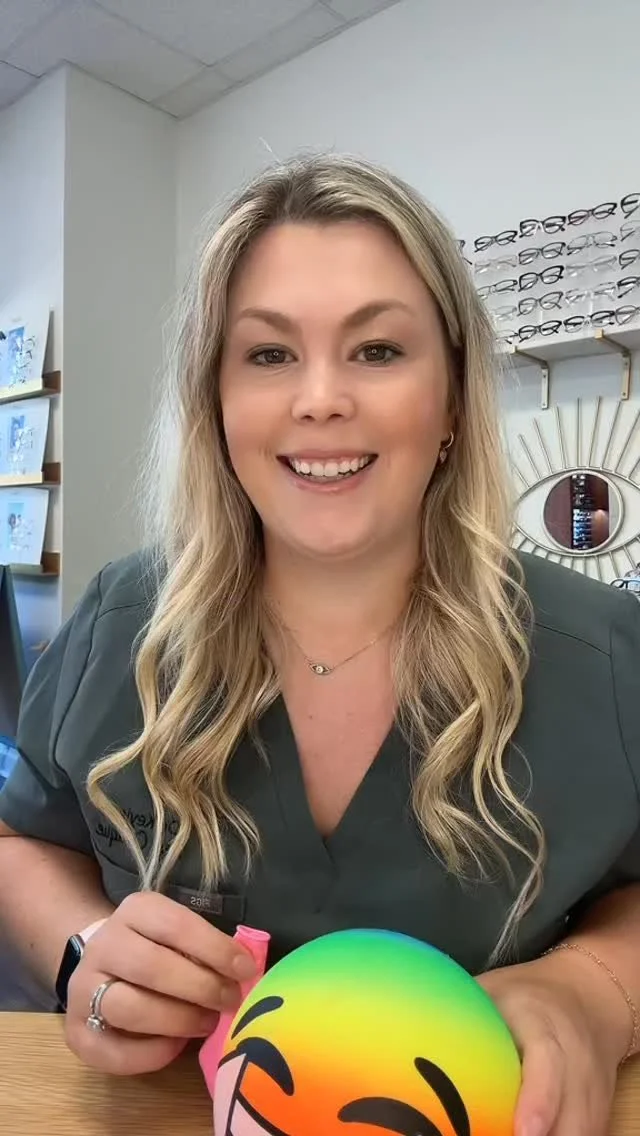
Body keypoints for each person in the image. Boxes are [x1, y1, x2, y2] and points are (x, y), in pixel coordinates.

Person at [0, 154, 639, 1136]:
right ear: (215, 402)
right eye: (268, 354)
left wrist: (592, 988)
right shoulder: (122, 621)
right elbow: (22, 842)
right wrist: (83, 951)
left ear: (452, 398)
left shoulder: (601, 654)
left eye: (377, 349)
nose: (321, 398)